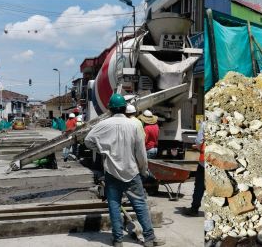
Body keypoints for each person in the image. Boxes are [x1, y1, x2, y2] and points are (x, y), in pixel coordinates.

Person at [84, 94, 164, 247]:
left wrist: (102, 150)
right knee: (140, 205)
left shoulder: (103, 124)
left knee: (114, 206)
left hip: (111, 172)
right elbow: (141, 152)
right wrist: (143, 170)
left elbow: (88, 140)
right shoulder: (134, 125)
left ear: (110, 109)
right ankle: (149, 239)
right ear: (125, 108)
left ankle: (118, 240)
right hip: (131, 172)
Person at [182, 120, 206, 217]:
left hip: (205, 161)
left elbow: (199, 141)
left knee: (199, 186)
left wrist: (198, 147)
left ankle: (194, 209)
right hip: (219, 160)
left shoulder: (204, 124)